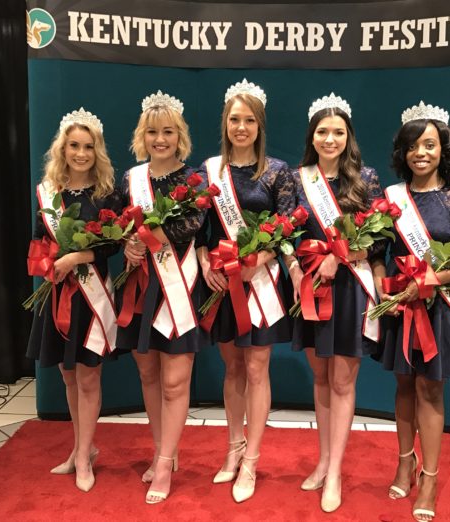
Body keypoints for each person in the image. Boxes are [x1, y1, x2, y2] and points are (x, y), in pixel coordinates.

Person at [373, 102, 450, 522]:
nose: (421, 153)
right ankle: (405, 461)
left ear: (443, 150)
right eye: (413, 146)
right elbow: (380, 251)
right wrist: (388, 286)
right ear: (403, 152)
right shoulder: (391, 198)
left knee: (429, 390)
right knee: (403, 384)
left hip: (438, 307)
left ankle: (431, 477)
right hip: (401, 305)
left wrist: (432, 282)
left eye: (430, 144)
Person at [196, 79, 295, 503]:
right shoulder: (208, 171)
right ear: (225, 123)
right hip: (222, 283)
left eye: (249, 120)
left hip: (261, 284)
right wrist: (204, 263)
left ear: (260, 125)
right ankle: (233, 449)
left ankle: (252, 460)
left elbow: (289, 227)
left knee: (257, 370)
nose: (241, 127)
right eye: (234, 119)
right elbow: (200, 230)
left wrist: (261, 260)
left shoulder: (277, 172)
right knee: (232, 369)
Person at [285, 94, 383, 513]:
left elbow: (380, 240)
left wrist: (337, 256)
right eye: (323, 132)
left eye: (338, 132)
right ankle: (323, 460)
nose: (330, 139)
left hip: (349, 291)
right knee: (321, 379)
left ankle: (337, 472)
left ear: (349, 136)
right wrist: (293, 270)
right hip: (309, 286)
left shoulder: (367, 179)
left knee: (343, 382)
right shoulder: (296, 178)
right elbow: (284, 232)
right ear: (312, 136)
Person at [115, 91, 208, 504]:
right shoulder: (130, 179)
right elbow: (120, 226)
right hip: (140, 287)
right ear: (142, 135)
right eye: (152, 131)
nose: (160, 139)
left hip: (178, 286)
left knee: (174, 381)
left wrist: (145, 238)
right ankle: (160, 451)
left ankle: (166, 462)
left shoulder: (195, 181)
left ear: (179, 135)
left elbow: (192, 225)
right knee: (148, 375)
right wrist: (127, 246)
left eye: (168, 131)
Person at [26, 107, 121, 493]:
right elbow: (38, 240)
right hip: (59, 293)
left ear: (96, 150)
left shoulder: (107, 194)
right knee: (68, 375)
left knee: (88, 375)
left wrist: (74, 257)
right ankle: (84, 447)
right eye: (73, 146)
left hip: (92, 298)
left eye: (87, 147)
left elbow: (113, 243)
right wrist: (50, 262)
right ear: (62, 149)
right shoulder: (50, 193)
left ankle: (82, 458)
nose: (80, 153)